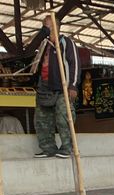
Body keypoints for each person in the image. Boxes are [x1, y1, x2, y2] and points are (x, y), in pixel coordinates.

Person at [29, 16, 80, 158]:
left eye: (48, 25)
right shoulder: (43, 44)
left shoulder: (66, 42)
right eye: (44, 25)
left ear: (56, 26)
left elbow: (74, 64)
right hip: (44, 87)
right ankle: (48, 148)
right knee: (41, 119)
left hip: (62, 87)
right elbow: (34, 60)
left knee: (64, 117)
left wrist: (73, 86)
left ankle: (67, 147)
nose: (45, 27)